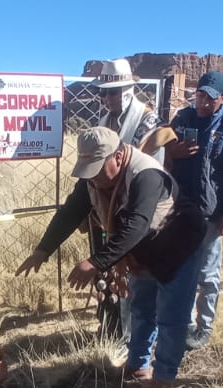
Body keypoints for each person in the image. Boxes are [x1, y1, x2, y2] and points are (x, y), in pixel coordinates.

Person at [17, 126, 206, 388]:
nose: (91, 176)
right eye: (87, 167)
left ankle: (163, 378)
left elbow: (136, 226)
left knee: (170, 317)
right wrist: (42, 250)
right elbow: (71, 211)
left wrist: (95, 262)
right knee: (142, 309)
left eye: (97, 167)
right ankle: (137, 366)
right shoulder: (93, 179)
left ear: (118, 156)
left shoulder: (146, 175)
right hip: (144, 250)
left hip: (179, 245)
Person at [165, 71, 223, 351]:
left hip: (210, 215)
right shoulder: (182, 119)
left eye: (210, 98)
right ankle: (185, 322)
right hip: (180, 212)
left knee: (207, 274)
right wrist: (173, 152)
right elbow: (160, 151)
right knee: (179, 267)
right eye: (200, 95)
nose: (202, 102)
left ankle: (204, 326)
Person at [89, 58, 163, 340]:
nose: (106, 98)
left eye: (112, 92)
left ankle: (138, 343)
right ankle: (117, 329)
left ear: (128, 91)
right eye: (103, 93)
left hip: (140, 210)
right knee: (112, 277)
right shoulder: (104, 120)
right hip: (109, 209)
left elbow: (150, 173)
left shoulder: (148, 122)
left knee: (139, 282)